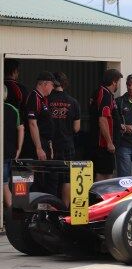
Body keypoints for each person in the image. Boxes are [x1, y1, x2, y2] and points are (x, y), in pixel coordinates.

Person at [21, 71, 58, 194]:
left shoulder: (44, 99)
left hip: (44, 143)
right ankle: (29, 208)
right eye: (52, 85)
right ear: (45, 84)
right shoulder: (34, 97)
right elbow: (32, 123)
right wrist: (38, 148)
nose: (53, 88)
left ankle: (44, 205)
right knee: (34, 178)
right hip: (34, 145)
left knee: (47, 178)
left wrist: (49, 146)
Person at [49, 72, 80, 206]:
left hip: (50, 146)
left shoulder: (46, 100)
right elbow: (77, 128)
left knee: (51, 178)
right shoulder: (73, 102)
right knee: (67, 178)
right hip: (67, 144)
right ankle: (64, 207)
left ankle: (50, 208)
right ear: (64, 83)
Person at [89, 69, 123, 181]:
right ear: (114, 82)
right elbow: (103, 119)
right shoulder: (105, 95)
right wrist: (109, 142)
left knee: (105, 172)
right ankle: (101, 198)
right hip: (103, 145)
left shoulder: (102, 92)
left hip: (101, 143)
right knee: (105, 175)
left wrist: (118, 126)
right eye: (118, 82)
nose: (118, 85)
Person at [2, 86, 24, 209]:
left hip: (3, 154)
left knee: (4, 186)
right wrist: (19, 149)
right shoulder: (13, 109)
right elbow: (21, 128)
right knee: (6, 184)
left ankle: (12, 216)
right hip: (10, 153)